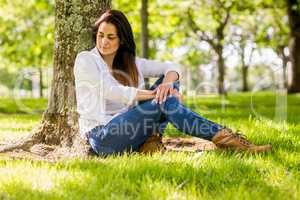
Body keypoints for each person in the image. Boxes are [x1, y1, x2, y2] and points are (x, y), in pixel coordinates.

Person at [74, 9, 271, 156]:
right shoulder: (86, 60)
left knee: (169, 83)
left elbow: (173, 67)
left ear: (122, 40)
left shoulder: (131, 64)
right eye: (100, 36)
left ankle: (150, 144)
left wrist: (166, 85)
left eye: (110, 37)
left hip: (129, 133)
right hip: (103, 137)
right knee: (164, 98)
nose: (104, 42)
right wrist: (157, 94)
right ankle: (229, 141)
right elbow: (111, 91)